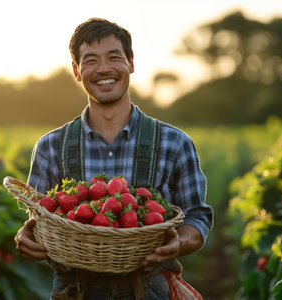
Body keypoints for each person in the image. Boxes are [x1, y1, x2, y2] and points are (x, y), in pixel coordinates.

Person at [15, 18, 213, 299]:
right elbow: (40, 219)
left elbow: (196, 216)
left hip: (149, 289)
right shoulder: (50, 147)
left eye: (114, 57)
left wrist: (177, 243)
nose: (104, 68)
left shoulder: (174, 143)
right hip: (75, 290)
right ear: (76, 70)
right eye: (91, 60)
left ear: (131, 63)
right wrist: (26, 235)